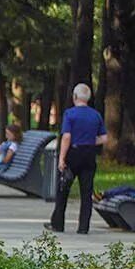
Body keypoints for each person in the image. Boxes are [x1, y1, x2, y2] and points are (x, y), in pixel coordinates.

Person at [49, 83, 108, 234]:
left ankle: (58, 224)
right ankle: (83, 227)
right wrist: (89, 141)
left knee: (63, 189)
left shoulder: (70, 114)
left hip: (73, 153)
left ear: (75, 97)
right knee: (86, 191)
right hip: (89, 154)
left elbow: (67, 137)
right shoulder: (96, 115)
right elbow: (104, 138)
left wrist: (62, 158)